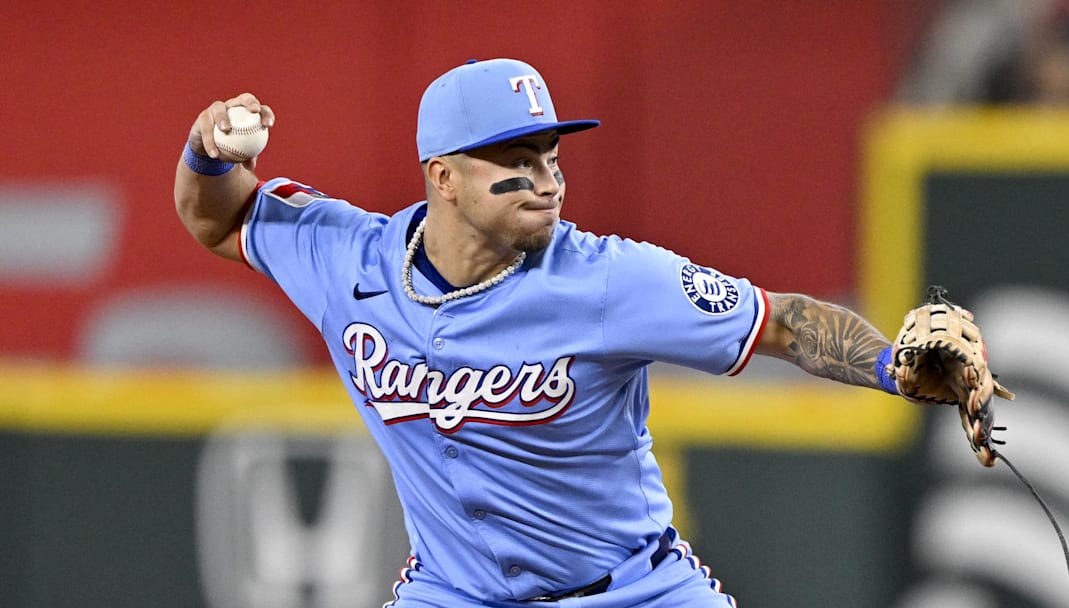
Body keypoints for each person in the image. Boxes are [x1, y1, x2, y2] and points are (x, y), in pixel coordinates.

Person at [174, 58, 903, 608]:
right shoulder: (348, 260)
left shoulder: (608, 279)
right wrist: (207, 152)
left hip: (627, 591)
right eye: (517, 163)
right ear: (444, 177)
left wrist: (895, 365)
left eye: (551, 158)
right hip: (455, 592)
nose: (547, 183)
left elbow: (784, 321)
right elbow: (218, 218)